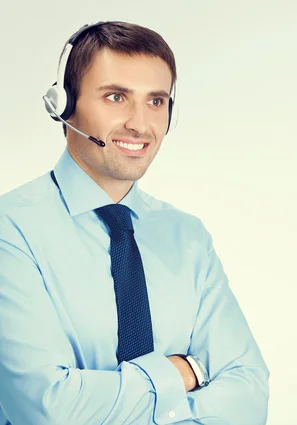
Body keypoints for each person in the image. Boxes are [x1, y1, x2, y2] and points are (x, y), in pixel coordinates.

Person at [0, 21, 270, 425]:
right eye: (116, 97)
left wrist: (109, 398)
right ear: (64, 103)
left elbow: (249, 396)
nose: (140, 125)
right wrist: (185, 373)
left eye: (156, 101)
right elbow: (47, 408)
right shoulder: (11, 230)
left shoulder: (187, 237)